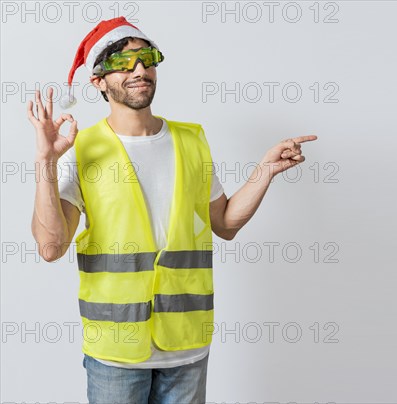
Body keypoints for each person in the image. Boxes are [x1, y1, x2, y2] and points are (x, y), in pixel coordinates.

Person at [27, 16, 317, 404]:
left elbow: (226, 224)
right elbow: (51, 247)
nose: (140, 69)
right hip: (116, 349)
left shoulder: (192, 141)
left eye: (147, 58)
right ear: (98, 80)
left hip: (187, 345)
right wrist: (45, 161)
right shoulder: (81, 149)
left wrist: (264, 171)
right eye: (123, 63)